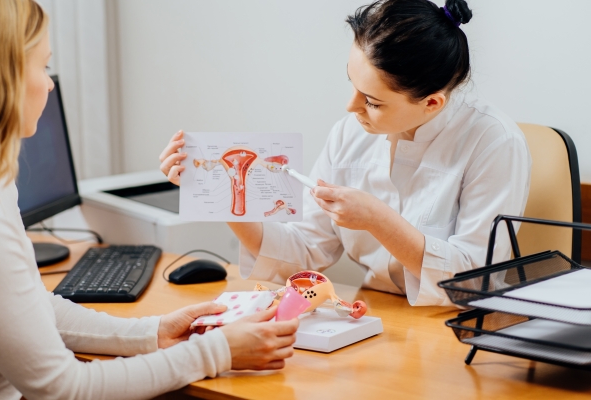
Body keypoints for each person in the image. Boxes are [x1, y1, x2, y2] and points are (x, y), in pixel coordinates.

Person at [0, 0, 298, 398]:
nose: (50, 83)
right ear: (2, 77)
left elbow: (35, 308)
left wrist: (154, 330)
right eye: (43, 66)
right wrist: (217, 351)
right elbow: (63, 387)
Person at [159, 0, 531, 307]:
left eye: (371, 101)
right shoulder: (351, 133)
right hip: (374, 313)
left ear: (432, 102)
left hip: (456, 325)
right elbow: (304, 250)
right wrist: (223, 196)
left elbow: (470, 279)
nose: (351, 107)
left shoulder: (494, 144)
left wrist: (378, 219)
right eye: (352, 85)